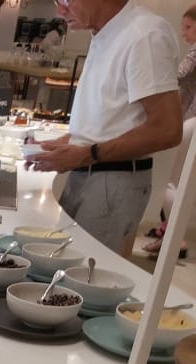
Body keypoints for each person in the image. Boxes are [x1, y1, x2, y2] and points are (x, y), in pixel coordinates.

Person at [29, 0, 182, 257]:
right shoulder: (106, 32)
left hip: (113, 179)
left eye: (65, 0)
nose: (60, 11)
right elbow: (112, 116)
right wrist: (68, 142)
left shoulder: (144, 34)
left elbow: (167, 129)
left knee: (84, 272)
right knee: (62, 265)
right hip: (90, 173)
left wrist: (87, 153)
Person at [143, 4, 196, 259]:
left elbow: (177, 75)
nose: (183, 33)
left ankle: (174, 238)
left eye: (188, 27)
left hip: (192, 121)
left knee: (173, 183)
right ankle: (169, 234)